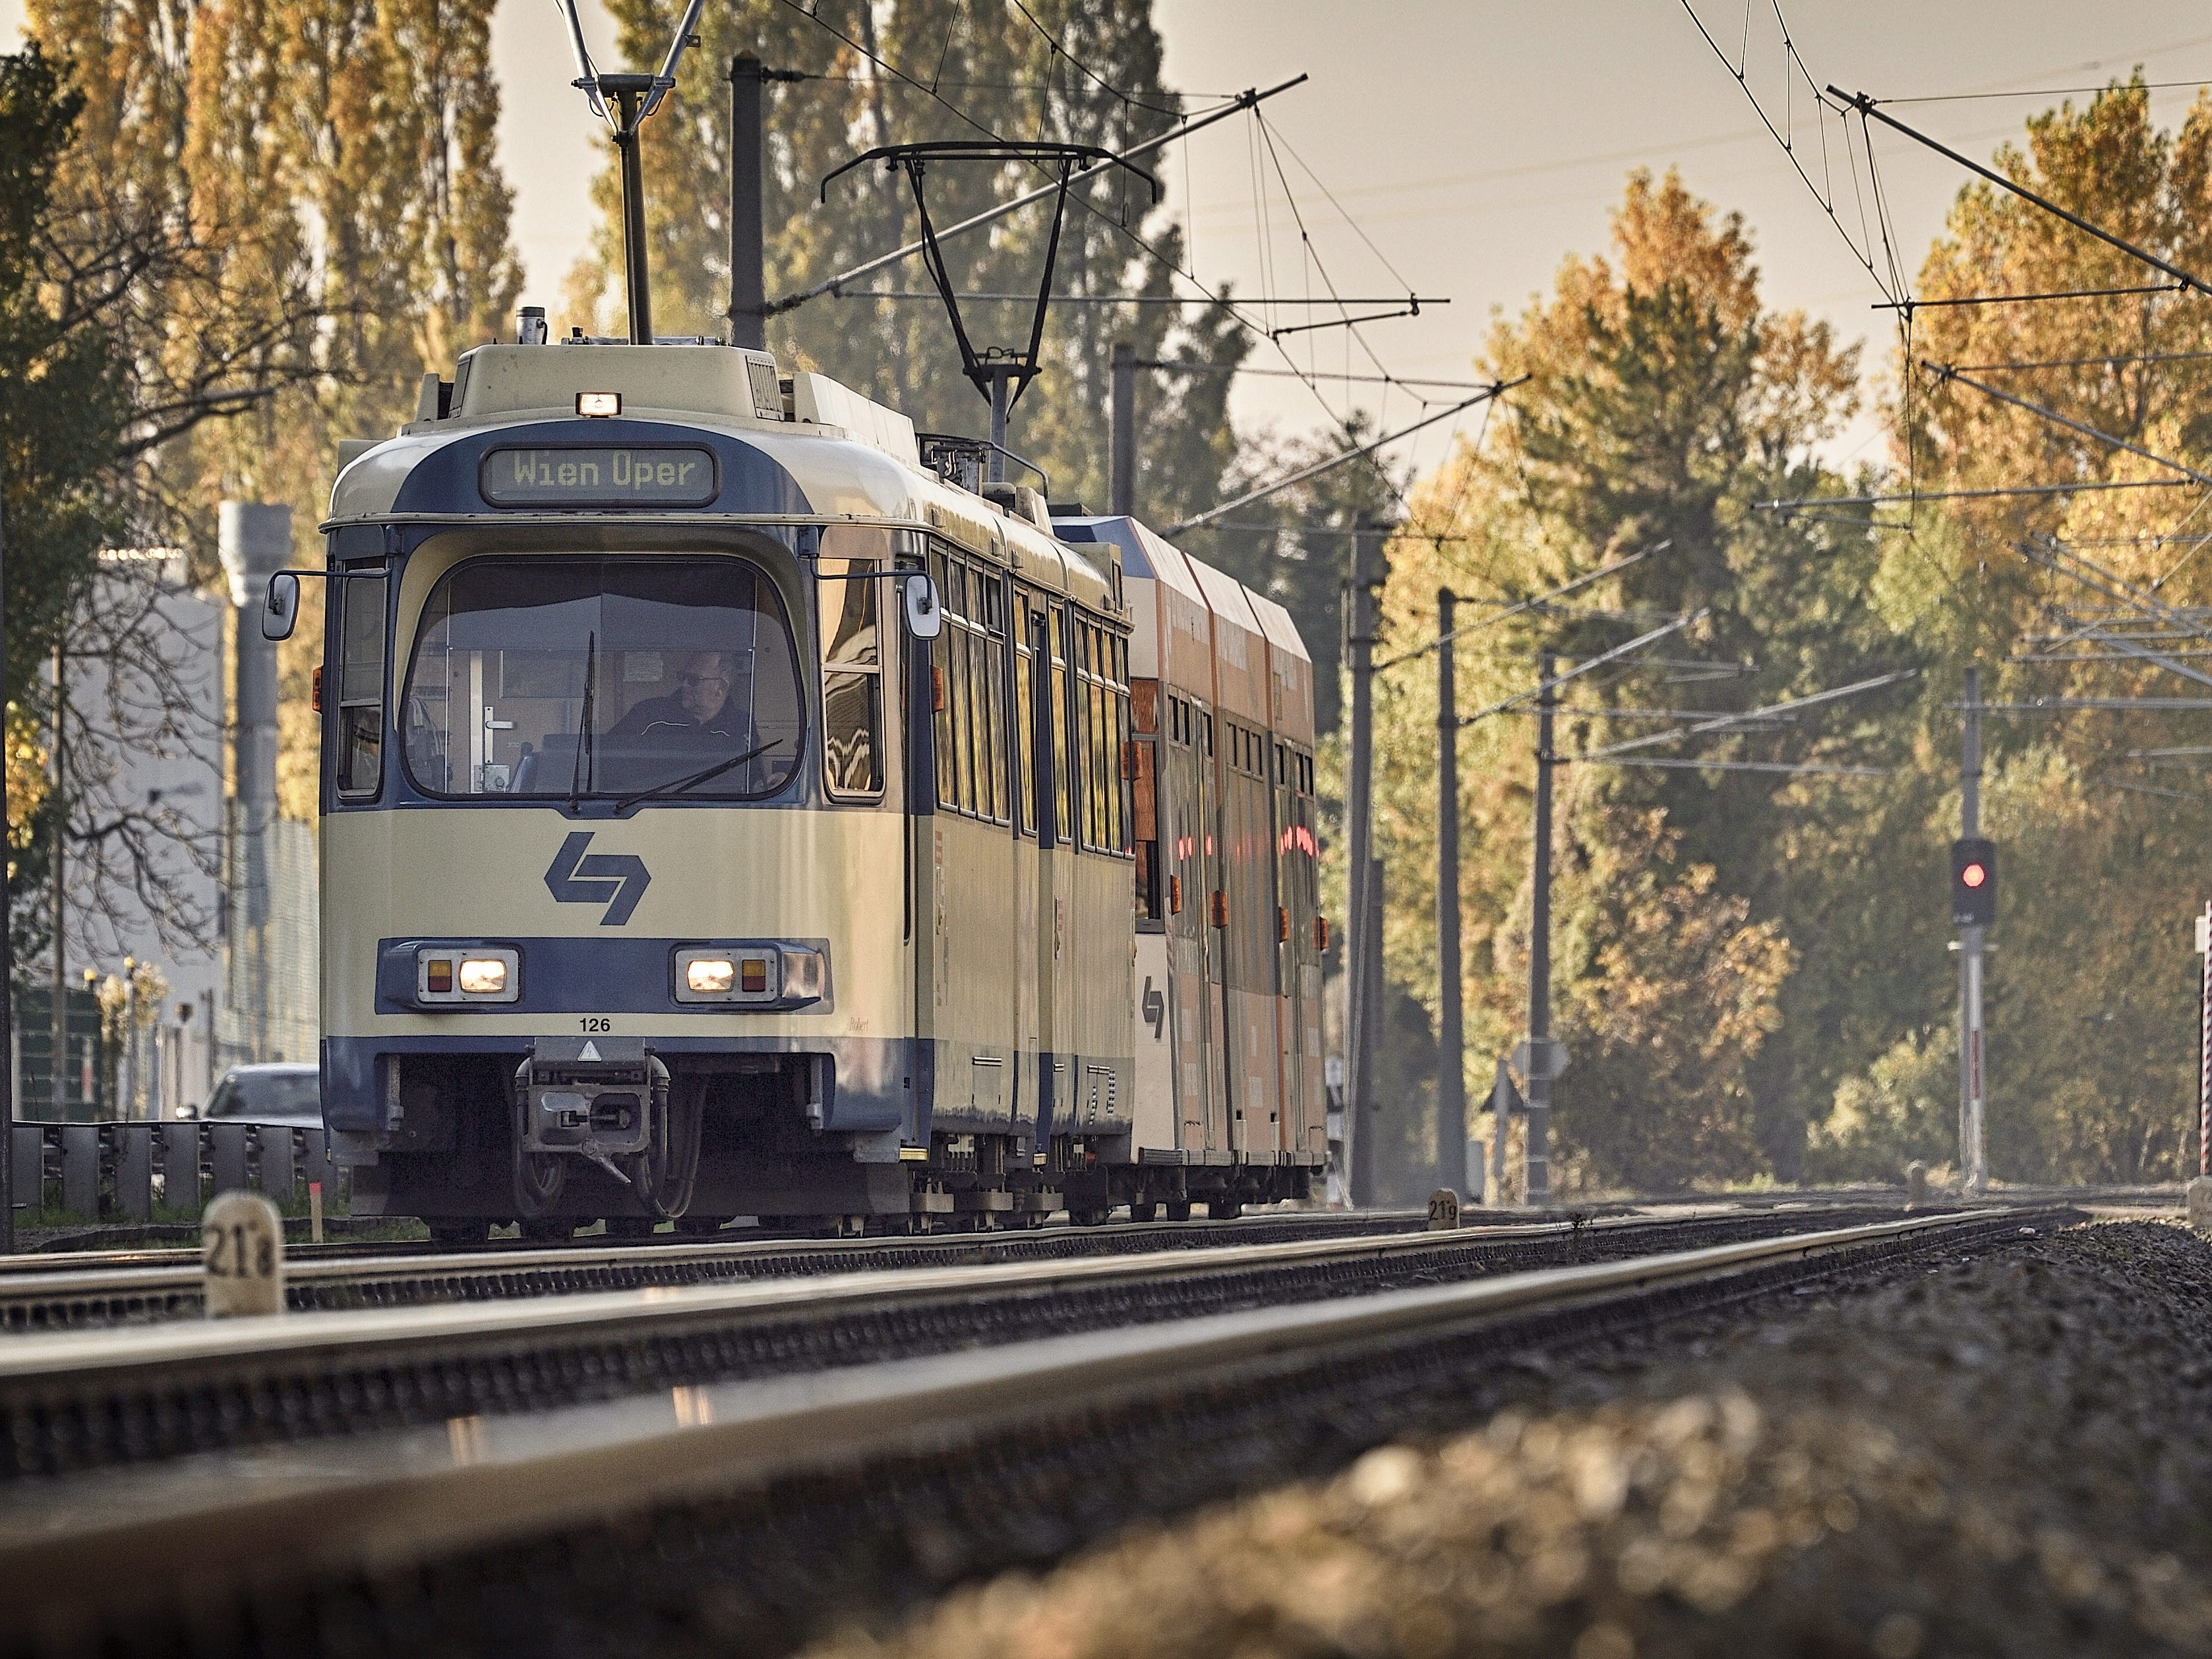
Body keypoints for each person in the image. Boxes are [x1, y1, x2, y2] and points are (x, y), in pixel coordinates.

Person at [609, 650, 743, 742]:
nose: (684, 685)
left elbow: (752, 780)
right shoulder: (648, 714)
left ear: (721, 688)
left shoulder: (742, 725)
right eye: (683, 677)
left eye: (693, 680)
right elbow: (607, 759)